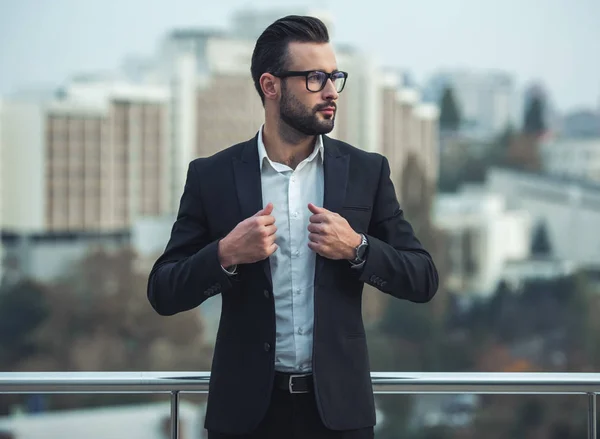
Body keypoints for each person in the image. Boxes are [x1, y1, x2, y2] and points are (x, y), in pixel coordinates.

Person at [147, 15, 439, 439]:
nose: (331, 92)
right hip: (246, 418)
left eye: (335, 77)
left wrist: (357, 248)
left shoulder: (365, 172)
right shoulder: (212, 176)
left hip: (340, 417)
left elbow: (423, 278)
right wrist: (225, 254)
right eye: (315, 78)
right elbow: (163, 290)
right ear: (271, 86)